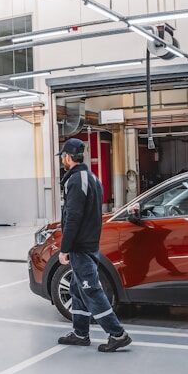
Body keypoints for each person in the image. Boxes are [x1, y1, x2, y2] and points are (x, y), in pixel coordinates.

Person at [56, 139, 132, 353]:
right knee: (76, 288)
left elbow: (73, 217)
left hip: (81, 245)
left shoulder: (75, 180)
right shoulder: (92, 178)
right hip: (89, 242)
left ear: (68, 157)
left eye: (63, 156)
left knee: (91, 290)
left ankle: (118, 334)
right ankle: (80, 333)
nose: (62, 159)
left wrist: (65, 248)